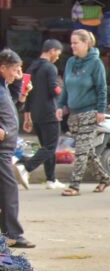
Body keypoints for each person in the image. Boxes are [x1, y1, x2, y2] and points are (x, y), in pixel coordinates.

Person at [57, 30, 110, 196]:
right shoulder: (70, 62)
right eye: (71, 43)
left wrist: (101, 110)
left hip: (90, 112)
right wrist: (60, 106)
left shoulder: (96, 63)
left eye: (76, 43)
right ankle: (104, 178)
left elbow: (102, 88)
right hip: (74, 115)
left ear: (86, 44)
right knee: (88, 151)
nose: (72, 46)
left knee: (81, 151)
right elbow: (66, 87)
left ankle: (74, 186)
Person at [17, 40, 63, 191]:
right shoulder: (50, 68)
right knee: (50, 146)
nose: (58, 57)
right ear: (52, 51)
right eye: (58, 53)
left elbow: (26, 93)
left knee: (46, 147)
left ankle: (51, 179)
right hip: (50, 112)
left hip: (36, 114)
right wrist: (62, 89)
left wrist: (27, 116)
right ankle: (25, 167)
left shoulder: (31, 68)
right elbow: (53, 90)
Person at [0, 50, 31, 248]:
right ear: (3, 68)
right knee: (9, 191)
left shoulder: (4, 87)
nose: (17, 74)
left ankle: (10, 234)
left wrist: (21, 89)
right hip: (1, 150)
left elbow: (11, 109)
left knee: (6, 192)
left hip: (6, 149)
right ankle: (14, 234)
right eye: (14, 70)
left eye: (20, 70)